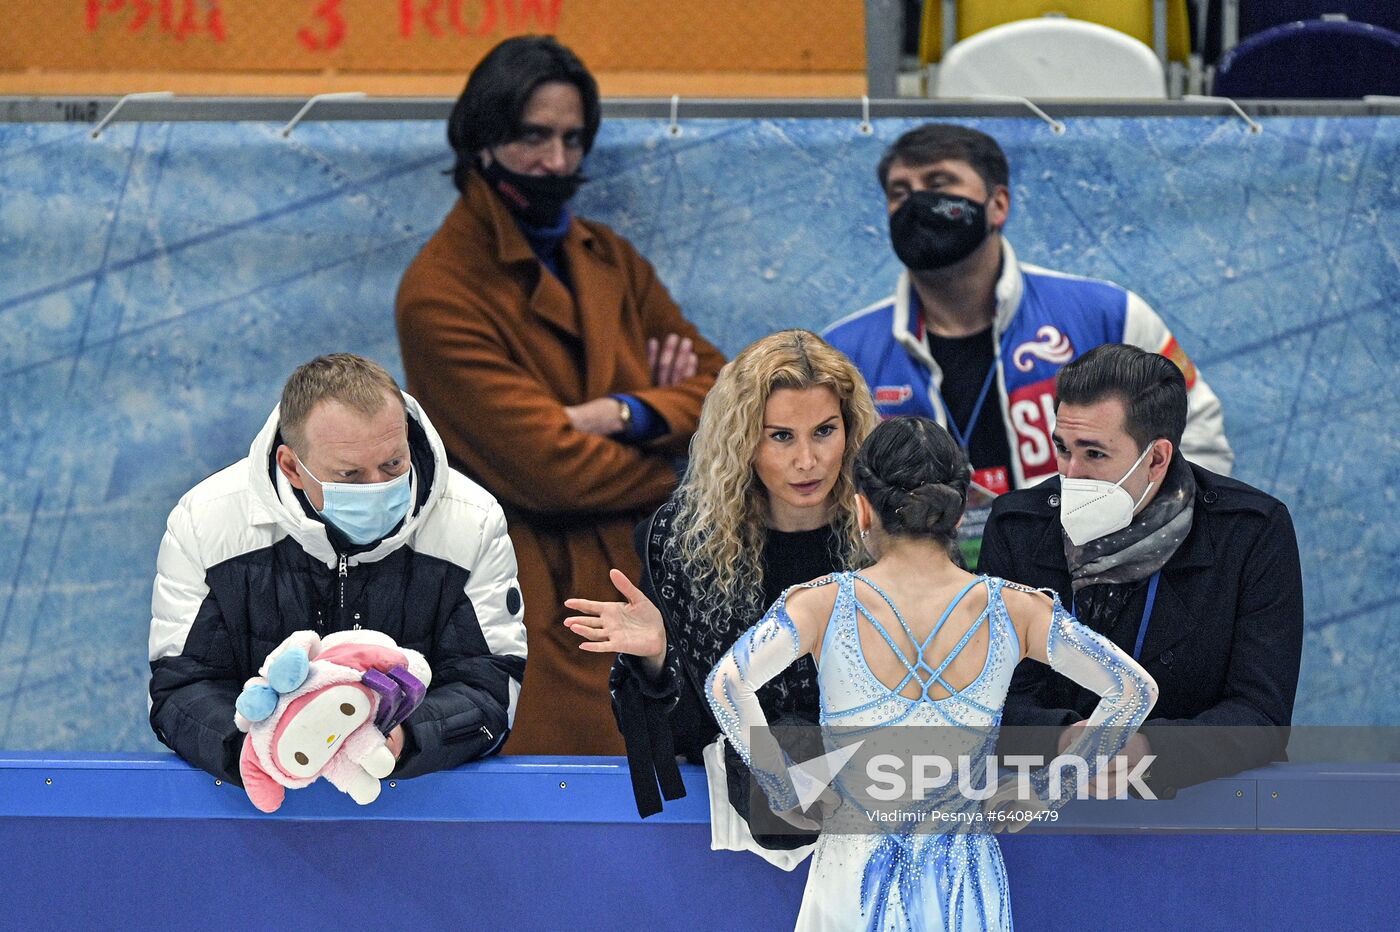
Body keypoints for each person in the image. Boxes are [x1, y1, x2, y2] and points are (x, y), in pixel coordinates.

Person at [396, 36, 726, 755]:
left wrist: (622, 411)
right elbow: (549, 470)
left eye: (573, 139)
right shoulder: (439, 293)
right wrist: (686, 462)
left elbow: (724, 395)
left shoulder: (607, 256)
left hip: (659, 582)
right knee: (575, 807)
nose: (557, 163)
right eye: (534, 138)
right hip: (539, 600)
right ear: (482, 141)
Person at [706, 415, 1158, 930]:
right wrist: (1050, 789)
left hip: (850, 867)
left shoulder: (821, 605)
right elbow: (1134, 689)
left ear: (861, 508)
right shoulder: (1016, 610)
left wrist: (783, 788)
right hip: (964, 878)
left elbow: (725, 684)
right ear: (958, 509)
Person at [149, 354, 528, 785]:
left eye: (393, 464)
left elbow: (491, 688)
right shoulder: (206, 523)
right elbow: (180, 690)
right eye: (349, 475)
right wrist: (266, 753)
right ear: (292, 466)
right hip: (258, 808)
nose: (378, 486)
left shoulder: (473, 522)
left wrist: (402, 740)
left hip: (417, 799)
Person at [563, 330, 878, 839]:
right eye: (781, 436)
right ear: (743, 440)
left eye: (824, 431)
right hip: (727, 824)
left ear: (851, 429)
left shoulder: (890, 531)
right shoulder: (683, 543)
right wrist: (659, 659)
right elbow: (686, 736)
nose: (806, 460)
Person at [822, 123, 1232, 514]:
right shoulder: (843, 354)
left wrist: (1138, 545)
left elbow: (1195, 433)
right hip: (917, 584)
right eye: (900, 192)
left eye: (938, 184)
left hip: (1087, 573)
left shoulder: (1108, 315)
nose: (916, 204)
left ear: (998, 204)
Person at [980, 343, 1304, 798]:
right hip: (1045, 802)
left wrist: (1147, 749)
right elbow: (989, 702)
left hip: (1197, 807)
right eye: (1062, 448)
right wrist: (1064, 739)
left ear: (1156, 459)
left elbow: (1261, 716)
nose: (1071, 474)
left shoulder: (1250, 532)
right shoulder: (1018, 526)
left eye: (1093, 454)